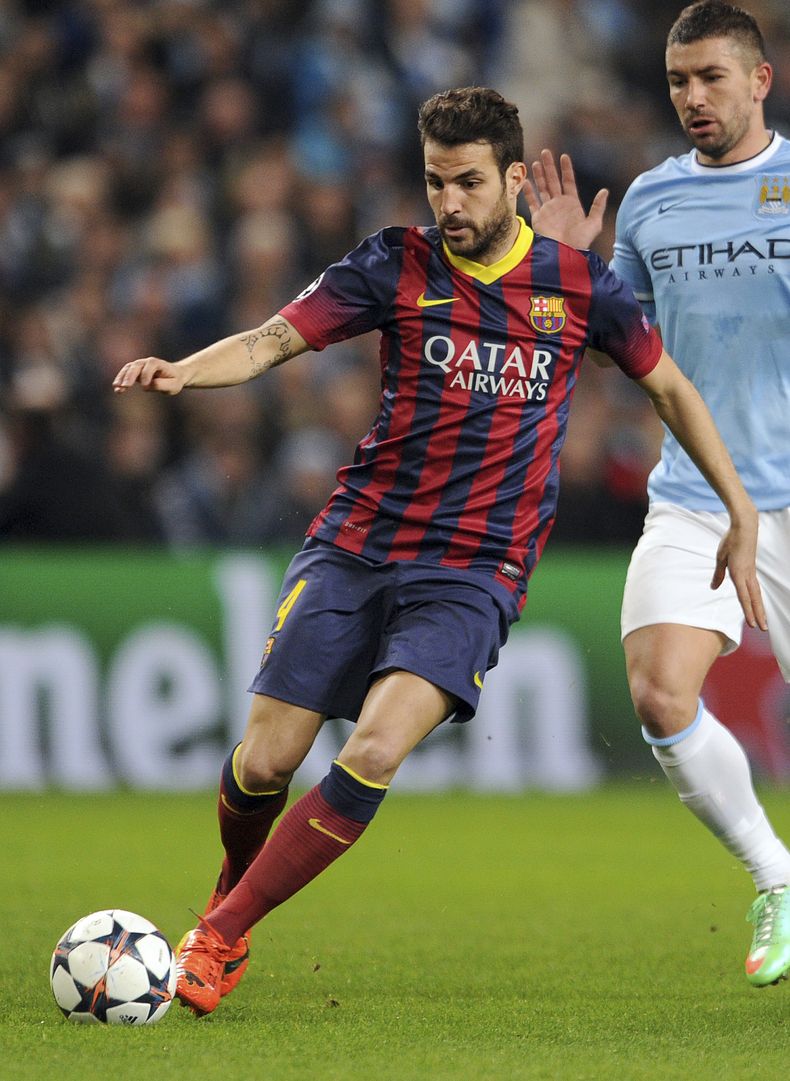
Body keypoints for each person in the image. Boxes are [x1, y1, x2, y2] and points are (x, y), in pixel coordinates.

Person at [113, 85, 764, 1016]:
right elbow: (270, 342)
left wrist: (737, 505)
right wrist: (185, 370)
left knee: (375, 748)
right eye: (433, 182)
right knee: (264, 763)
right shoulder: (396, 262)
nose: (448, 203)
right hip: (356, 542)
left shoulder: (578, 287)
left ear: (510, 179)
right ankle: (234, 892)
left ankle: (214, 937)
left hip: (473, 572)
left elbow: (672, 391)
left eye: (466, 183)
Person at [525, 0, 790, 988]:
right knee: (657, 689)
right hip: (694, 496)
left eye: (712, 77)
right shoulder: (649, 200)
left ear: (758, 79)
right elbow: (608, 344)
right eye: (680, 81)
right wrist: (563, 270)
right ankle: (775, 874)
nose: (692, 97)